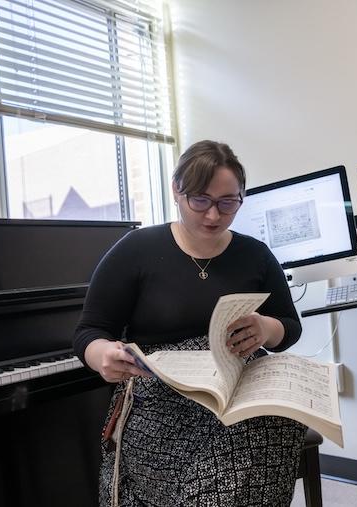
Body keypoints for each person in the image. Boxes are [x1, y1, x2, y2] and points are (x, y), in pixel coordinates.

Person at [73, 140, 306, 506]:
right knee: (230, 468)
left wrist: (266, 327)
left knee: (277, 421)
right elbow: (88, 332)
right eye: (200, 200)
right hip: (161, 397)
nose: (213, 215)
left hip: (238, 390)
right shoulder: (136, 250)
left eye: (228, 203)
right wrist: (101, 354)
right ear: (176, 191)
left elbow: (290, 326)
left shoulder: (255, 254)